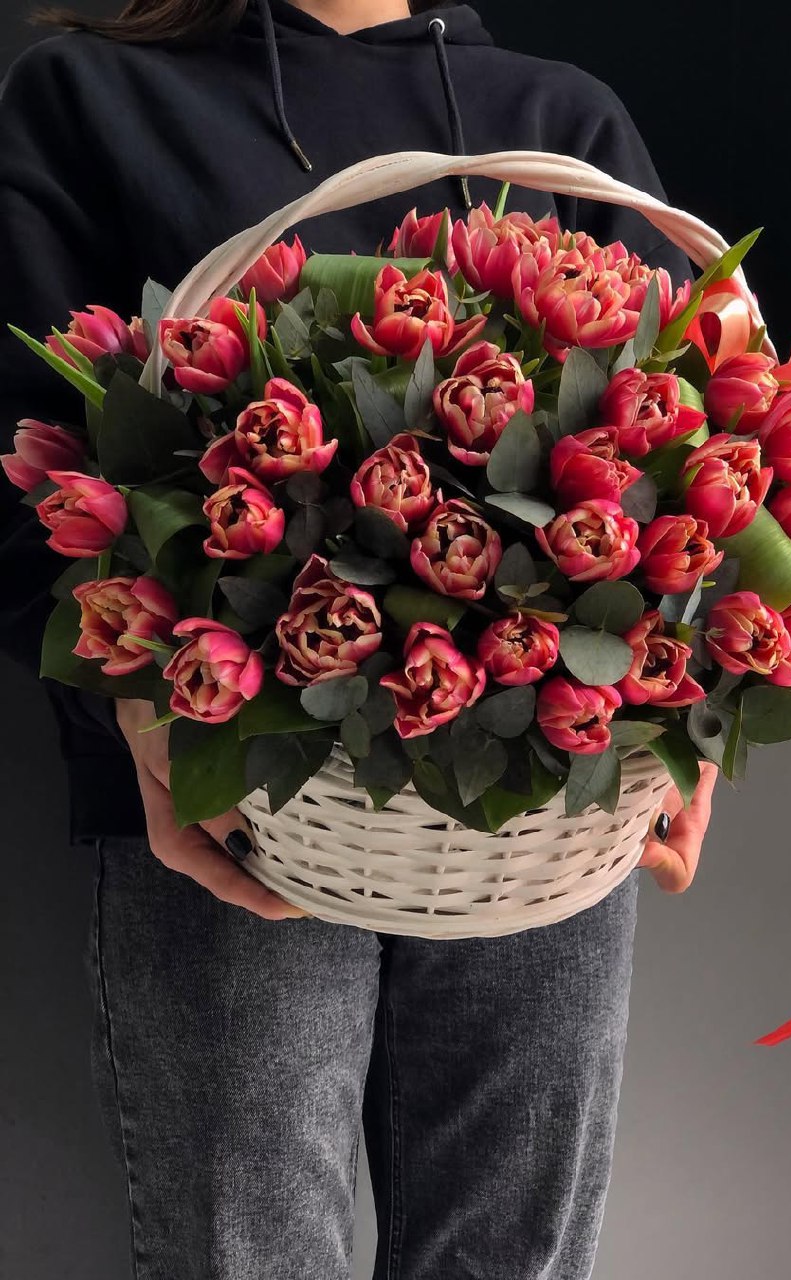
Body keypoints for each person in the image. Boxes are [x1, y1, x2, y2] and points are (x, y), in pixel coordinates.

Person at [0, 2, 718, 1276]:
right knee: (254, 1252)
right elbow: (19, 472)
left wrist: (687, 708)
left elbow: (693, 440)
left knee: (514, 1254)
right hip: (225, 816)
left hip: (538, 815)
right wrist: (135, 703)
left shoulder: (559, 120)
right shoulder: (88, 100)